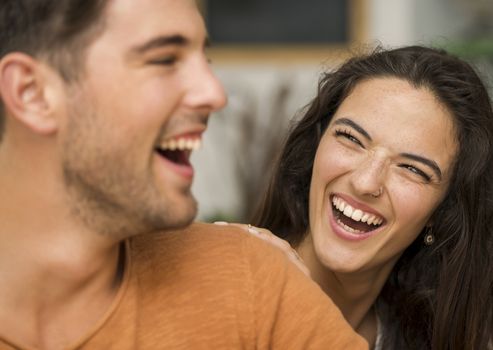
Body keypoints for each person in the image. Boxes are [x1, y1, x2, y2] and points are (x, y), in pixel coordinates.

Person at [0, 0, 368, 349]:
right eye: (164, 59)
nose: (214, 93)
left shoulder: (247, 282)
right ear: (31, 93)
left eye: (203, 60)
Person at [245, 46, 493, 349]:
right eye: (351, 138)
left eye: (412, 169)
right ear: (315, 146)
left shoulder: (431, 340)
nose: (365, 182)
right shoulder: (225, 279)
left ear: (441, 211)